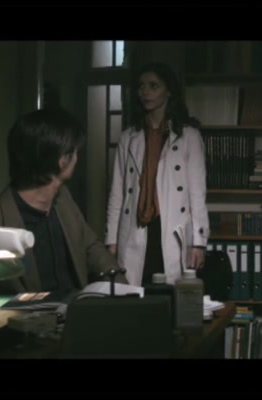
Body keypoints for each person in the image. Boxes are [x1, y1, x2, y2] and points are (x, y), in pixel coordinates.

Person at [0, 108, 126, 294]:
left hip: (75, 312)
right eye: (75, 152)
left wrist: (125, 291)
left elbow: (92, 248)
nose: (77, 158)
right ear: (62, 160)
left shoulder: (63, 201)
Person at [106, 60, 209, 286]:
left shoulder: (188, 136)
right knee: (133, 292)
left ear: (168, 91)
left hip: (172, 227)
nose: (146, 92)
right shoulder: (128, 137)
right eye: (141, 86)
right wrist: (112, 239)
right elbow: (117, 193)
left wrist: (199, 242)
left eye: (154, 86)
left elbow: (197, 194)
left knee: (169, 295)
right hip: (135, 228)